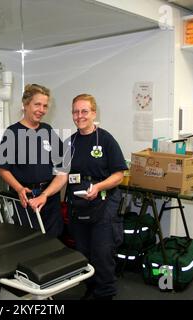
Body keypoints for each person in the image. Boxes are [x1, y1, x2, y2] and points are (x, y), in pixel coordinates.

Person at [29, 93, 127, 300]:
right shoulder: (69, 144)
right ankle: (92, 289)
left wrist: (98, 186)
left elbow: (119, 175)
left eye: (84, 111)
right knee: (83, 253)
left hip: (103, 204)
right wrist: (44, 195)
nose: (79, 115)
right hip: (78, 206)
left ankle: (104, 294)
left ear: (93, 113)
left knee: (102, 254)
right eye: (75, 111)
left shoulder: (106, 140)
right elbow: (62, 176)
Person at [0, 84, 64, 238]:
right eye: (37, 104)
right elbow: (2, 168)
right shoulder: (13, 133)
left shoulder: (47, 130)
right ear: (25, 104)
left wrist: (45, 194)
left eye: (45, 106)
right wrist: (19, 189)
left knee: (53, 243)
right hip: (26, 200)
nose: (41, 110)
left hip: (49, 199)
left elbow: (62, 169)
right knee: (30, 244)